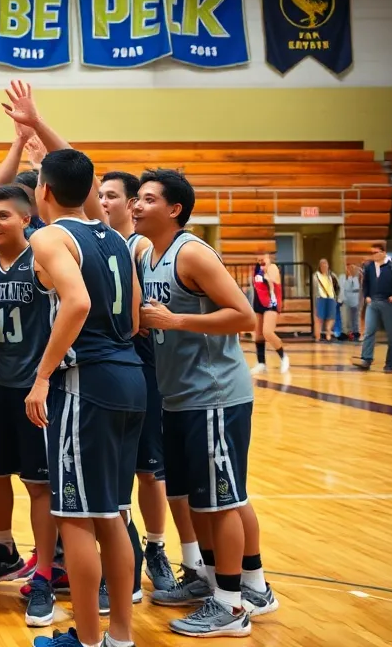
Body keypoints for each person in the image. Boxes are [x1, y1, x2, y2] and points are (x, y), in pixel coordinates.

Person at [135, 168, 278, 637]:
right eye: (137, 198)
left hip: (214, 395)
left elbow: (244, 315)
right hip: (178, 396)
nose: (137, 205)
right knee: (199, 499)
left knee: (222, 501)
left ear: (174, 209)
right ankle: (218, 582)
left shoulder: (192, 252)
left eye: (148, 199)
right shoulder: (146, 253)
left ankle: (232, 606)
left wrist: (176, 322)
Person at [18, 147, 145, 647]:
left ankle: (88, 641)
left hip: (83, 382)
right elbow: (133, 316)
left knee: (73, 517)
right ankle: (120, 637)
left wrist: (43, 376)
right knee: (111, 514)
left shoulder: (49, 236)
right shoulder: (115, 237)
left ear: (43, 190)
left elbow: (77, 302)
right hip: (128, 377)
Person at [0, 185, 60, 627]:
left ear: (26, 219)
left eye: (2, 215)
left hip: (36, 388)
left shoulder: (41, 258)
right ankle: (4, 548)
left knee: (39, 484)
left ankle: (45, 575)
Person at [97, 172, 178, 597]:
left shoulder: (139, 246)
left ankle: (156, 548)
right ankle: (120, 560)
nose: (102, 201)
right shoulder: (98, 243)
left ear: (130, 204)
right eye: (98, 194)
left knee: (149, 471)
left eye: (111, 195)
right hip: (110, 371)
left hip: (145, 371)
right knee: (114, 475)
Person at [355, 241, 392, 372]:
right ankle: (366, 359)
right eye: (371, 253)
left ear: (383, 253)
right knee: (369, 331)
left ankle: (390, 364)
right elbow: (365, 283)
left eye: (376, 253)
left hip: (388, 303)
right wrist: (367, 295)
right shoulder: (369, 267)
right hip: (372, 302)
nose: (373, 255)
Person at [250, 253, 288, 374]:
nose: (261, 259)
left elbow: (272, 280)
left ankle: (284, 357)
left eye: (263, 257)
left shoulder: (272, 268)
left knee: (267, 332)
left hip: (271, 302)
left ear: (268, 258)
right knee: (258, 335)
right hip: (258, 302)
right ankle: (261, 363)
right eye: (258, 257)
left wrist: (266, 268)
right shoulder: (256, 269)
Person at [312, 259, 339, 342]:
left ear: (328, 265)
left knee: (331, 317)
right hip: (320, 298)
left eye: (325, 264)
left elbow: (337, 287)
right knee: (319, 318)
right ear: (320, 266)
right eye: (322, 265)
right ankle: (317, 336)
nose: (324, 266)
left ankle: (328, 333)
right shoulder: (316, 276)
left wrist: (336, 297)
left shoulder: (332, 275)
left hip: (331, 298)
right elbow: (314, 289)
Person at [341, 263, 362, 341]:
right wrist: (349, 277)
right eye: (349, 268)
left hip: (355, 299)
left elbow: (357, 287)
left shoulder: (357, 277)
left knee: (355, 316)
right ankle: (346, 332)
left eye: (352, 268)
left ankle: (355, 332)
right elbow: (346, 287)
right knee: (345, 317)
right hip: (346, 298)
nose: (350, 270)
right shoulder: (342, 277)